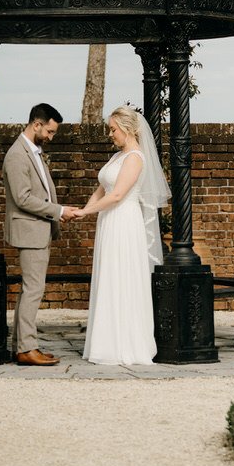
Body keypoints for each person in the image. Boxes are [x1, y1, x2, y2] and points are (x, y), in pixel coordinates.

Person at [76, 105, 169, 366]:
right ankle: (105, 342)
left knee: (123, 278)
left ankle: (126, 345)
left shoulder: (135, 158)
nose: (110, 134)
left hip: (125, 223)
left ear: (127, 129)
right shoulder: (117, 158)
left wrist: (85, 214)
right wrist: (84, 209)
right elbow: (102, 189)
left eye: (113, 129)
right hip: (109, 221)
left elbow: (117, 195)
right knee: (109, 276)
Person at [2, 102, 81, 366]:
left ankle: (23, 346)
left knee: (30, 290)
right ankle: (26, 348)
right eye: (49, 131)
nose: (50, 137)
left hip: (37, 229)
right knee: (33, 289)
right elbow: (23, 198)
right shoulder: (17, 155)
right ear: (37, 124)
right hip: (29, 230)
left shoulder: (33, 151)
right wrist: (58, 211)